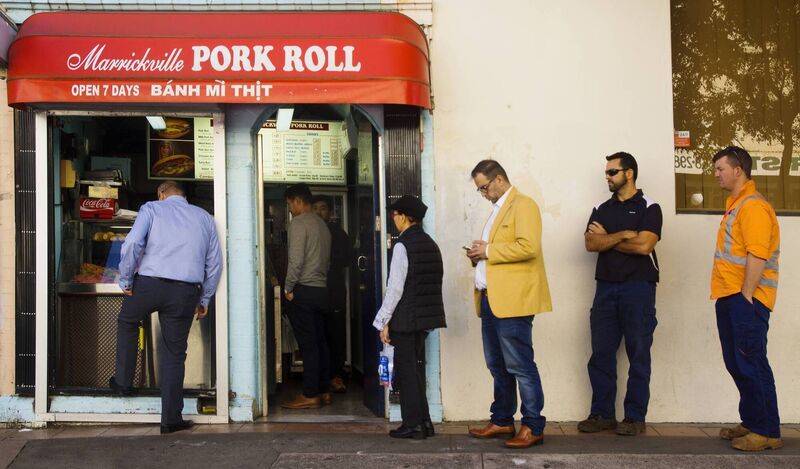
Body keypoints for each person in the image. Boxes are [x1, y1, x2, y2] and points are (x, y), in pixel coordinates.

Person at [111, 180, 222, 434]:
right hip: (185, 291)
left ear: (162, 194)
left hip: (150, 285)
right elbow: (214, 263)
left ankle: (123, 382)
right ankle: (171, 419)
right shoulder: (205, 217)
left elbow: (132, 244)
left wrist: (126, 280)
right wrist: (204, 299)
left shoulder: (151, 208)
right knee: (174, 352)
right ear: (183, 196)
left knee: (128, 321)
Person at [465, 159, 552, 449]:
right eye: (480, 190)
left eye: (484, 187)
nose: (483, 193)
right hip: (492, 299)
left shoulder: (523, 205)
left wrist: (488, 250)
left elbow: (529, 247)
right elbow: (500, 253)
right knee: (497, 365)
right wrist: (479, 255)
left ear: (499, 179)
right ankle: (502, 419)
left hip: (513, 301)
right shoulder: (498, 210)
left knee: (520, 365)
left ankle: (533, 426)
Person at [579, 152, 662, 437]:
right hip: (605, 288)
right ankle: (602, 414)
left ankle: (635, 418)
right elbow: (590, 243)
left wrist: (608, 239)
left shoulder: (650, 207)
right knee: (601, 353)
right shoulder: (601, 207)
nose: (607, 177)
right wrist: (624, 234)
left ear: (629, 173)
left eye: (612, 172)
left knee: (638, 354)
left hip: (638, 288)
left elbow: (643, 247)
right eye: (606, 173)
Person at [710, 146, 781, 452]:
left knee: (751, 361)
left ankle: (766, 431)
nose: (716, 175)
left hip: (745, 299)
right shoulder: (736, 204)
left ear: (737, 170)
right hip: (730, 295)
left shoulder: (752, 206)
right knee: (737, 362)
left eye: (719, 169)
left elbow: (758, 253)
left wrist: (747, 296)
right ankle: (752, 421)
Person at [373, 195, 446, 439]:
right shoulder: (429, 243)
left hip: (406, 319)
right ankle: (424, 423)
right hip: (424, 319)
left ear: (404, 216)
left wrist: (383, 321)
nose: (393, 219)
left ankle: (412, 424)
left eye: (394, 215)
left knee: (406, 371)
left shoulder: (403, 245)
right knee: (413, 371)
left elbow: (395, 289)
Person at [281, 183, 332, 409]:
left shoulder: (299, 223)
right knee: (321, 343)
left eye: (289, 204)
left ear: (297, 201)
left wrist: (288, 288)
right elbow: (327, 262)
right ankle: (323, 390)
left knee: (309, 345)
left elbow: (296, 261)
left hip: (304, 289)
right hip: (322, 290)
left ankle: (310, 394)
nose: (290, 209)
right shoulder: (322, 225)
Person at [312, 195, 353, 393]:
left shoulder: (338, 234)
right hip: (314, 291)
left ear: (331, 212)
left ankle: (336, 375)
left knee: (336, 334)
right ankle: (319, 376)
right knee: (318, 334)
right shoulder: (310, 231)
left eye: (323, 208)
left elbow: (346, 260)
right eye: (316, 208)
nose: (319, 212)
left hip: (334, 290)